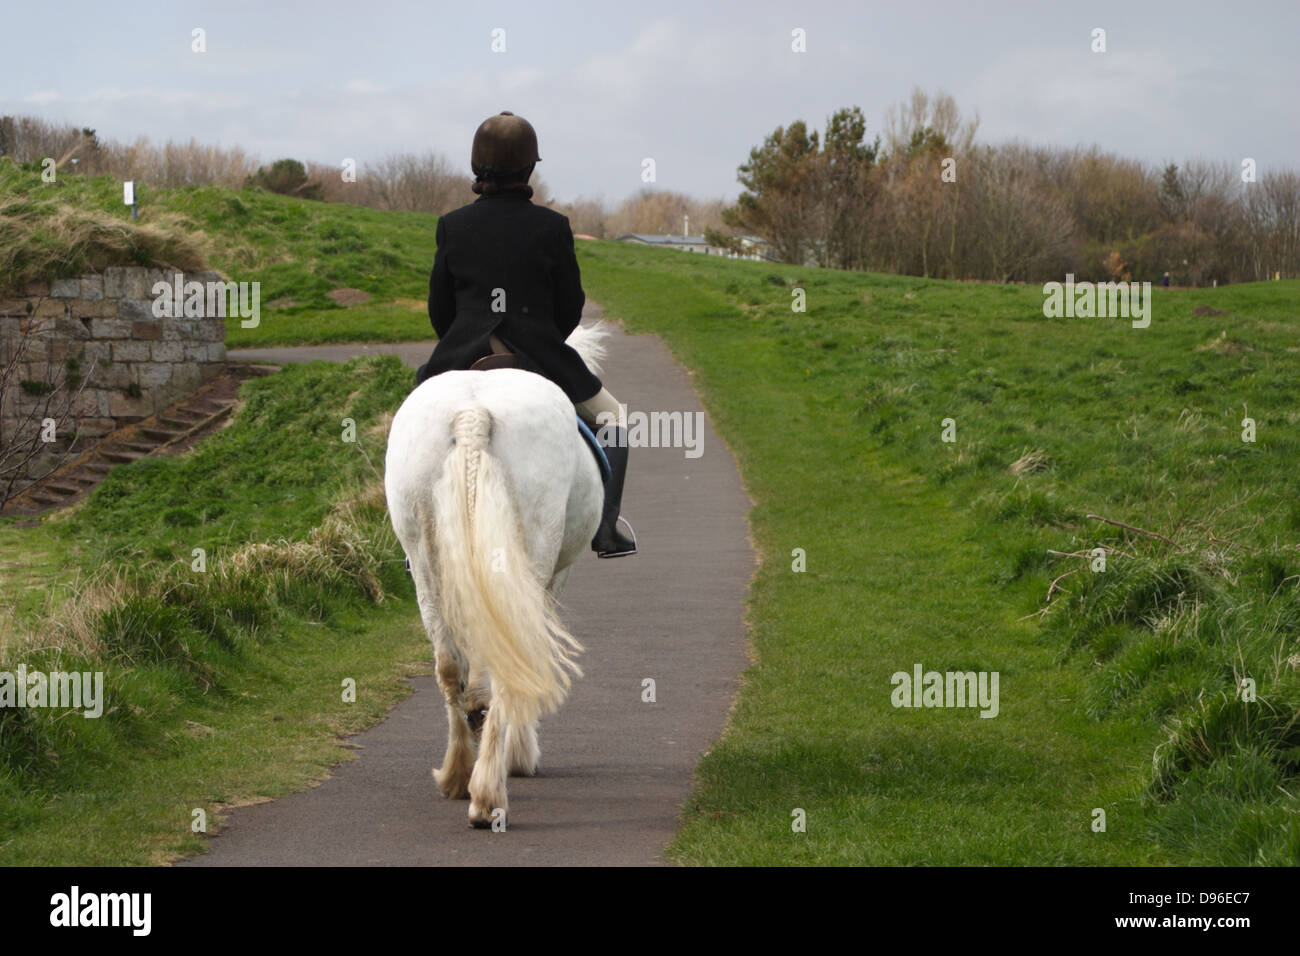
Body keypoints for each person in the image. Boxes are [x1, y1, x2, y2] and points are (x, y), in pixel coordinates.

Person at [414, 111, 636, 558]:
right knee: (615, 422)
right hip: (540, 358)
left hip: (463, 356)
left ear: (476, 167)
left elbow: (440, 310)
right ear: (529, 168)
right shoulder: (552, 227)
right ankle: (606, 529)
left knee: (411, 425)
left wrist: (465, 338)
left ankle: (413, 537)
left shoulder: (452, 226)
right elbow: (570, 305)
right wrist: (542, 340)